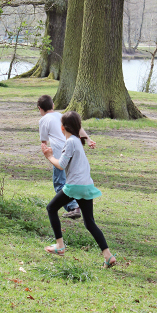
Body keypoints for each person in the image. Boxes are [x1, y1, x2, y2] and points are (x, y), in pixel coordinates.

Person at [41, 111, 116, 268]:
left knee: (51, 208)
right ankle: (108, 256)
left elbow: (61, 165)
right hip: (87, 186)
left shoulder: (70, 143)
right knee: (89, 222)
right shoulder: (76, 141)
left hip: (75, 186)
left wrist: (49, 156)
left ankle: (60, 246)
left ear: (62, 128)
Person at [37, 95, 96, 219]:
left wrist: (47, 152)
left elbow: (44, 141)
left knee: (59, 183)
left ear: (39, 108)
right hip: (73, 152)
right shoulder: (61, 116)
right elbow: (77, 127)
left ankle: (74, 207)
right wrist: (88, 139)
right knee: (70, 181)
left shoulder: (43, 120)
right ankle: (78, 207)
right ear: (53, 106)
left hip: (60, 153)